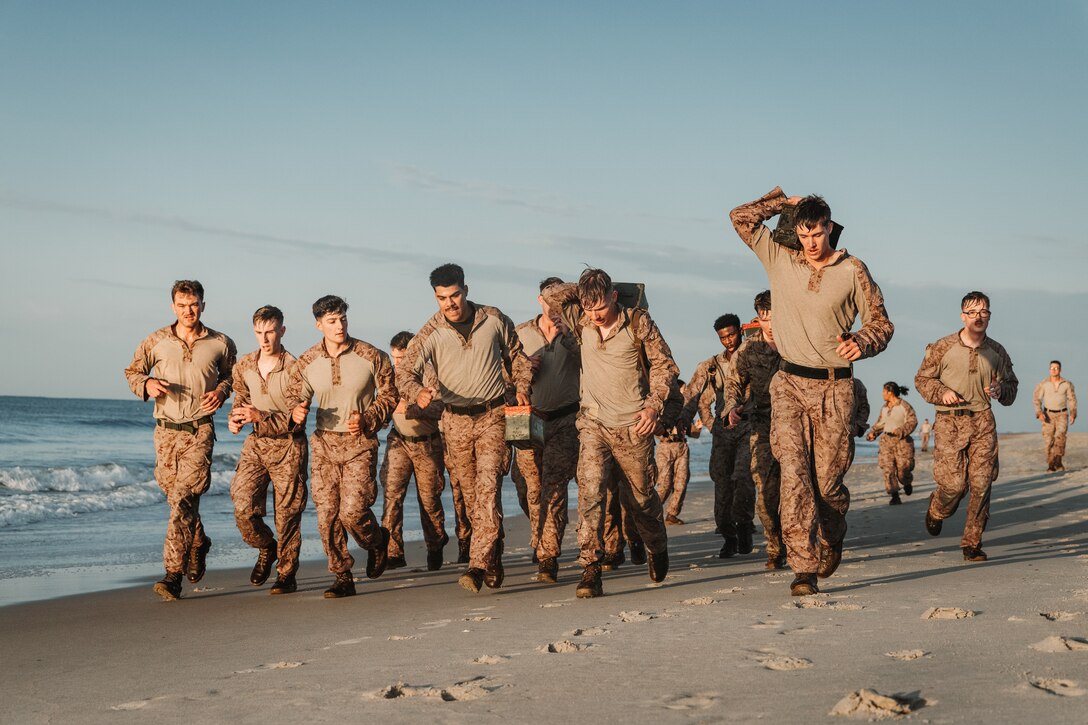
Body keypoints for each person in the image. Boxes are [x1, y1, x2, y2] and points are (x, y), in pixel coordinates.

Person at [730, 188, 893, 596]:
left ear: (829, 228)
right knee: (795, 477)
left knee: (827, 485)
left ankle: (833, 534)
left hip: (835, 387)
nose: (810, 243)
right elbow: (739, 217)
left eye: (817, 233)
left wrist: (864, 341)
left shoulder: (853, 269)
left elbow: (882, 323)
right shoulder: (779, 257)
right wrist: (781, 200)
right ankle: (802, 567)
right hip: (788, 384)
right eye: (803, 235)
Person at [542, 269, 679, 598]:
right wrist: (585, 289)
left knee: (643, 500)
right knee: (590, 495)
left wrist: (652, 408)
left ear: (615, 296)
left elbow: (665, 366)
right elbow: (551, 297)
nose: (594, 314)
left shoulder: (638, 322)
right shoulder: (580, 318)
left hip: (633, 426)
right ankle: (590, 568)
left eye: (600, 305)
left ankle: (657, 546)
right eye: (588, 307)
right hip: (593, 425)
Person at [397, 264, 532, 593]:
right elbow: (403, 374)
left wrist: (523, 385)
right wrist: (419, 393)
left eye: (454, 295)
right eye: (442, 298)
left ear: (465, 290)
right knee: (472, 500)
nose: (450, 303)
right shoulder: (430, 331)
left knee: (488, 491)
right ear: (435, 297)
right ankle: (493, 552)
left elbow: (518, 357)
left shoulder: (493, 319)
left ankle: (476, 565)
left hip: (492, 416)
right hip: (454, 422)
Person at [124, 280, 237, 601]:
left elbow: (233, 376)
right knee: (176, 499)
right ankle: (198, 542)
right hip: (165, 432)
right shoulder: (156, 340)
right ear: (173, 306)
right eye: (183, 305)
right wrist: (146, 384)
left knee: (185, 500)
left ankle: (172, 575)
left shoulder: (220, 342)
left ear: (203, 305)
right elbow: (132, 371)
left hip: (200, 431)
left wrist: (221, 391)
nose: (189, 310)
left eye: (195, 304)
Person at [287, 295, 396, 598]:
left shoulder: (372, 355)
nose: (339, 325)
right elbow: (295, 399)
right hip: (323, 443)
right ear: (318, 324)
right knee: (327, 516)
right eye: (332, 321)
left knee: (352, 512)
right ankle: (342, 575)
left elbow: (390, 396)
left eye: (343, 318)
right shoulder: (307, 361)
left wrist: (369, 417)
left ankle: (376, 542)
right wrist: (296, 413)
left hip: (360, 442)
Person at [915, 291, 1018, 562]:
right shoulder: (943, 346)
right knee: (954, 485)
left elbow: (1012, 388)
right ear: (963, 316)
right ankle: (937, 510)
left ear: (989, 315)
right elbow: (923, 380)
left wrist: (1000, 389)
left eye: (984, 312)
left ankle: (972, 543)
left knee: (982, 483)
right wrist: (942, 392)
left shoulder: (997, 351)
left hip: (983, 420)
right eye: (972, 312)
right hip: (949, 421)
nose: (978, 317)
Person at [227, 306, 308, 595]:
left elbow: (298, 419)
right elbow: (241, 400)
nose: (265, 338)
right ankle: (267, 547)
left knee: (287, 514)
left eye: (270, 331)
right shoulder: (245, 365)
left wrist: (260, 415)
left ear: (282, 331)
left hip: (289, 445)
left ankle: (286, 574)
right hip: (256, 445)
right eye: (260, 332)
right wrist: (235, 419)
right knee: (242, 507)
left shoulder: (297, 368)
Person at [510, 277, 581, 583]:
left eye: (560, 303)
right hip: (527, 419)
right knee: (527, 488)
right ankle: (541, 535)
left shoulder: (577, 333)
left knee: (554, 487)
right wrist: (523, 369)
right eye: (548, 302)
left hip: (566, 418)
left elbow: (594, 363)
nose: (554, 308)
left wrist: (569, 337)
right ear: (539, 300)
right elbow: (502, 373)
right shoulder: (519, 334)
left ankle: (547, 558)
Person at [680, 313, 755, 559]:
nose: (728, 341)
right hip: (723, 432)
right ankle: (728, 535)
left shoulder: (755, 357)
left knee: (743, 477)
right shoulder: (711, 366)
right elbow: (693, 394)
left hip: (750, 427)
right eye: (723, 338)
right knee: (722, 483)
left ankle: (744, 527)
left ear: (740, 332)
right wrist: (691, 420)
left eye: (732, 335)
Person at [724, 291, 785, 569]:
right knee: (766, 492)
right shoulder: (749, 349)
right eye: (764, 318)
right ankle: (775, 547)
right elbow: (733, 383)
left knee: (802, 491)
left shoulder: (797, 343)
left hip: (796, 424)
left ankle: (804, 544)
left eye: (774, 317)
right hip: (761, 425)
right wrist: (732, 407)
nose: (769, 323)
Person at [380, 331, 448, 572]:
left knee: (429, 499)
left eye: (402, 358)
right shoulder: (388, 376)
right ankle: (393, 552)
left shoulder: (430, 373)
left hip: (428, 443)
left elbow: (442, 408)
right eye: (394, 358)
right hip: (398, 441)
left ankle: (435, 543)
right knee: (392, 494)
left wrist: (410, 408)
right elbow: (381, 404)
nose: (397, 363)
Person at [656, 380, 699, 527]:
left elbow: (693, 434)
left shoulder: (685, 410)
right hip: (666, 448)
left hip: (682, 446)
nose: (686, 392)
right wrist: (667, 430)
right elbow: (656, 430)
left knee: (682, 482)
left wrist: (697, 428)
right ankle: (652, 514)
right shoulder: (665, 407)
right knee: (664, 484)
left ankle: (672, 514)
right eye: (683, 389)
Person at [866, 382, 918, 505]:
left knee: (902, 470)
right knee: (888, 469)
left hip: (902, 442)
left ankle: (906, 482)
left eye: (884, 391)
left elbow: (912, 421)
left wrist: (900, 431)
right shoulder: (884, 408)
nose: (882, 394)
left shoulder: (904, 406)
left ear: (890, 392)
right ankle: (895, 496)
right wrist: (873, 433)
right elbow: (881, 423)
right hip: (886, 442)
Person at [1033, 361, 1077, 471]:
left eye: (1056, 368)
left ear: (1060, 370)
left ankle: (1058, 461)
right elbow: (1037, 399)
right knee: (1049, 440)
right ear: (1049, 370)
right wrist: (1039, 413)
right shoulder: (1043, 384)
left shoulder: (1067, 384)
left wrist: (1073, 413)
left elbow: (1072, 399)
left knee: (1060, 437)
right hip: (1047, 414)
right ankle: (1051, 464)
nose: (1054, 370)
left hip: (1062, 414)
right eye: (1052, 368)